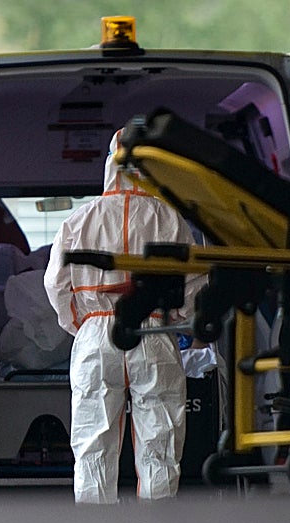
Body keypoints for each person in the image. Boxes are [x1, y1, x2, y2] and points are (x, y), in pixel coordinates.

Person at [44, 129, 201, 504]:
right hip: (153, 331)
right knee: (161, 438)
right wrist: (180, 317)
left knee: (92, 441)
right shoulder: (169, 218)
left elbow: (55, 282)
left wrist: (80, 324)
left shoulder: (80, 220)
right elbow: (194, 279)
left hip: (97, 332)